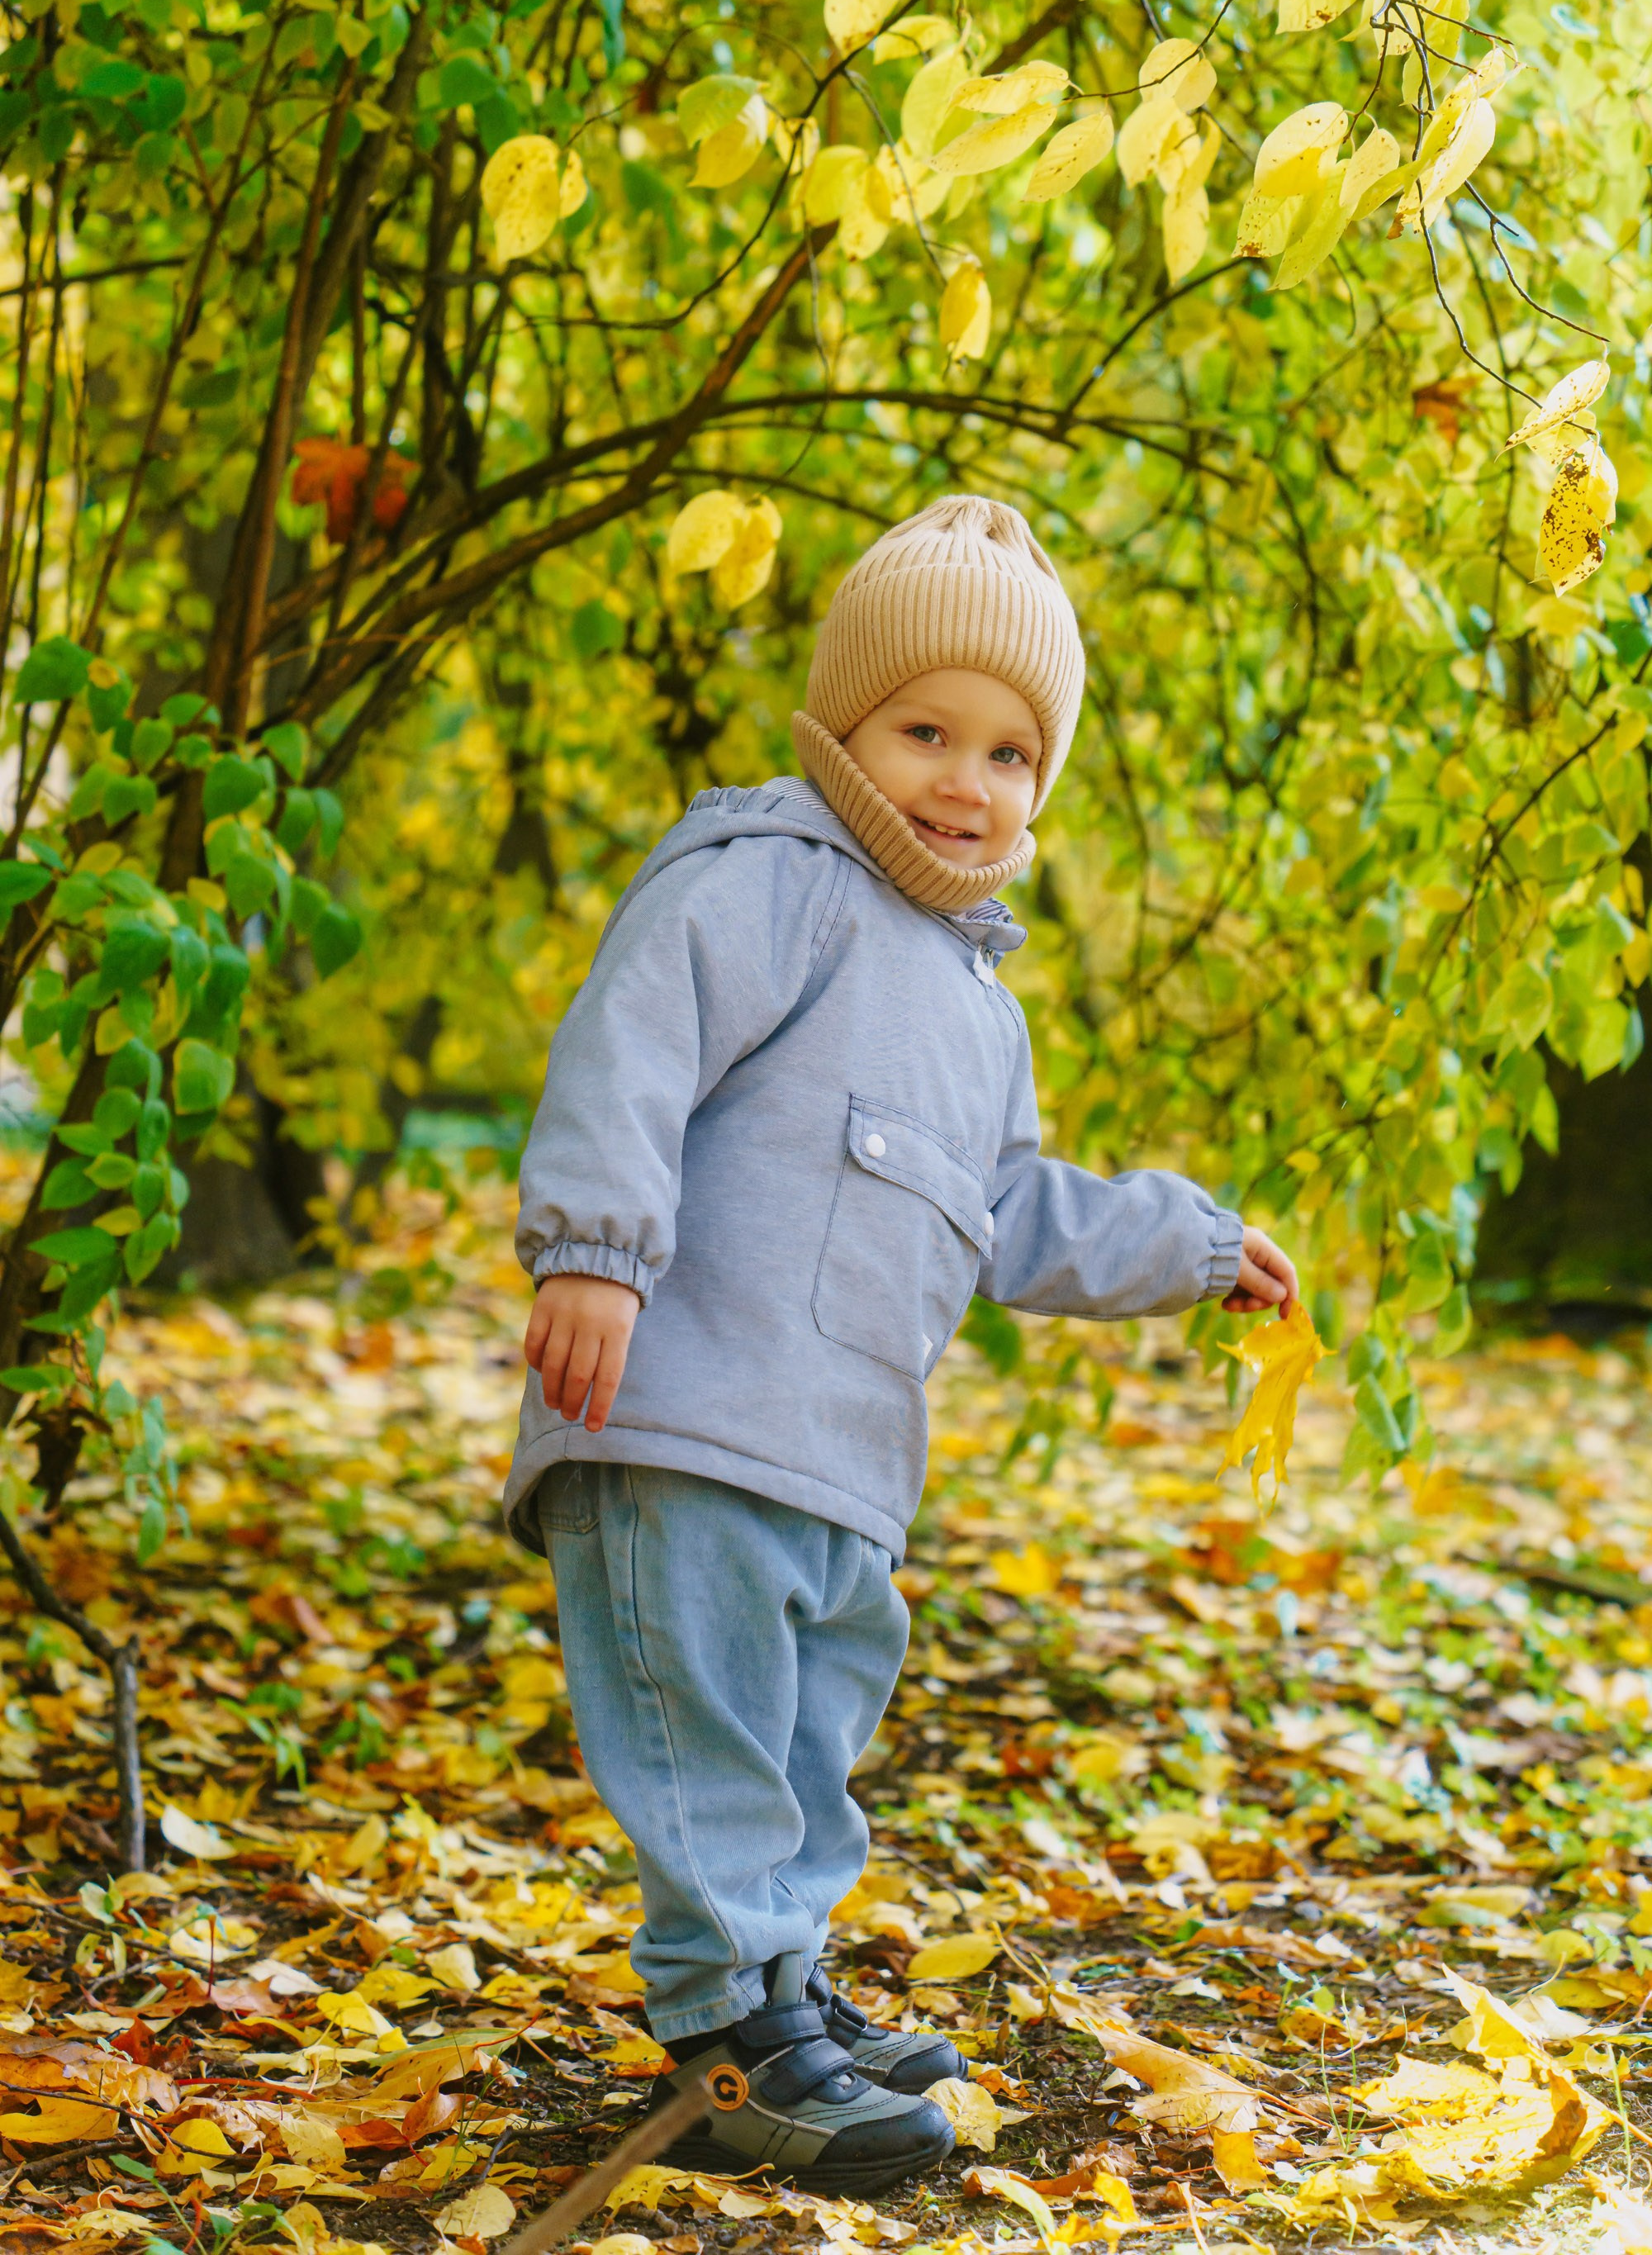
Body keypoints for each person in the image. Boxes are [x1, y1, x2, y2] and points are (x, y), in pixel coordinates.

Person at [505, 496, 1297, 2193]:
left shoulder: (977, 1003)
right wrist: (594, 1253)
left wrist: (1189, 1244)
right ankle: (730, 2040)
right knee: (714, 1731)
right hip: (681, 1416)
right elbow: (631, 1046)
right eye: (924, 731)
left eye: (1010, 754)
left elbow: (1008, 1211)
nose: (965, 781)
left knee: (807, 1737)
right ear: (840, 727)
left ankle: (786, 1991)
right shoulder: (770, 881)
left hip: (839, 1461)